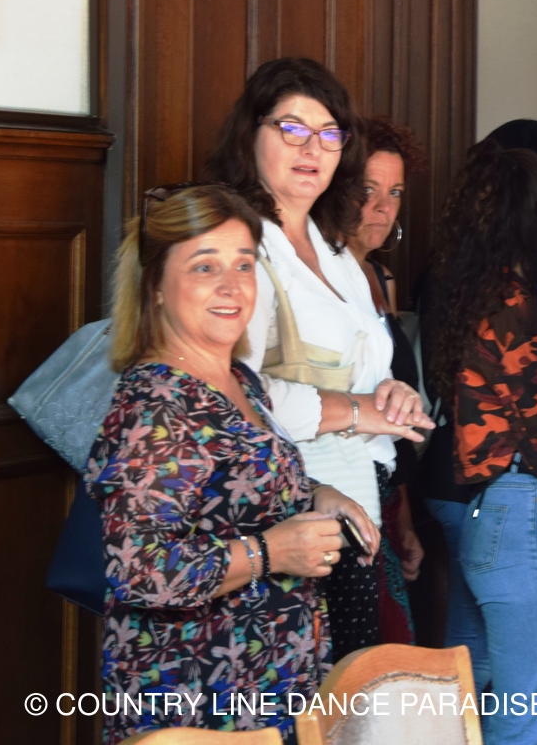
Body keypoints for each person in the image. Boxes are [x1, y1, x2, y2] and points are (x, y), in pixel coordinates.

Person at [87, 184, 378, 743]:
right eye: (204, 267)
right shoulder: (159, 405)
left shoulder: (238, 380)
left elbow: (237, 485)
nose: (232, 286)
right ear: (155, 287)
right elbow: (140, 570)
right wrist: (271, 552)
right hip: (195, 701)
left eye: (244, 264)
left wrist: (318, 493)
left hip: (269, 682)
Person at [205, 57, 433, 663]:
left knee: (359, 689)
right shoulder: (240, 244)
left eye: (329, 133)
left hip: (361, 497)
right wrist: (359, 411)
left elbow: (371, 371)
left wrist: (392, 395)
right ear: (251, 134)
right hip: (286, 509)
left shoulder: (334, 248)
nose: (312, 148)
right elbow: (230, 397)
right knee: (316, 691)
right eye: (292, 128)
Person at [429, 142, 537, 745]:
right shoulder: (523, 308)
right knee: (531, 720)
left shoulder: (487, 295)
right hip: (531, 520)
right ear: (534, 214)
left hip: (497, 516)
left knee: (490, 711)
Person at [345, 115, 431, 643]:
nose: (382, 206)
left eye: (394, 192)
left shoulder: (380, 276)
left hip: (387, 486)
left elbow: (394, 403)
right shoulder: (318, 275)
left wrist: (404, 520)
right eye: (367, 190)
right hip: (340, 489)